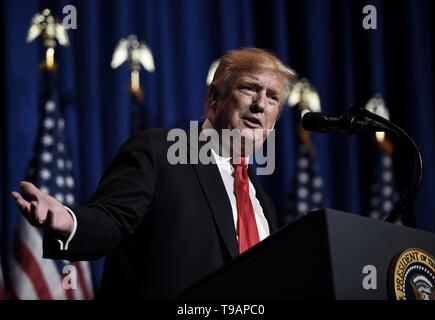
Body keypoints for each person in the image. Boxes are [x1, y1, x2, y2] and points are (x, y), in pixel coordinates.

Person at [11, 47, 297, 299]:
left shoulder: (264, 206)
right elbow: (111, 220)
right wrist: (70, 221)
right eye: (249, 88)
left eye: (273, 98)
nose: (260, 105)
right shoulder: (158, 152)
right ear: (214, 99)